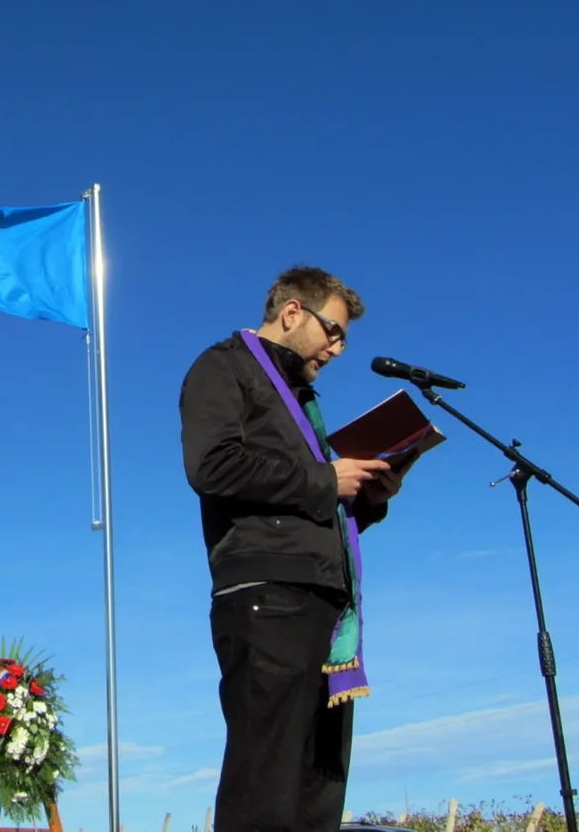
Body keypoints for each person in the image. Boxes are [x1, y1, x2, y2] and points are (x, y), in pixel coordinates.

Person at [178, 265, 405, 832]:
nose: (338, 348)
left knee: (318, 793)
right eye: (334, 331)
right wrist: (327, 480)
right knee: (266, 787)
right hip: (266, 597)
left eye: (344, 338)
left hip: (326, 604)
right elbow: (211, 465)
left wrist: (368, 495)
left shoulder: (305, 402)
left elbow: (309, 506)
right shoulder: (223, 366)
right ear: (292, 312)